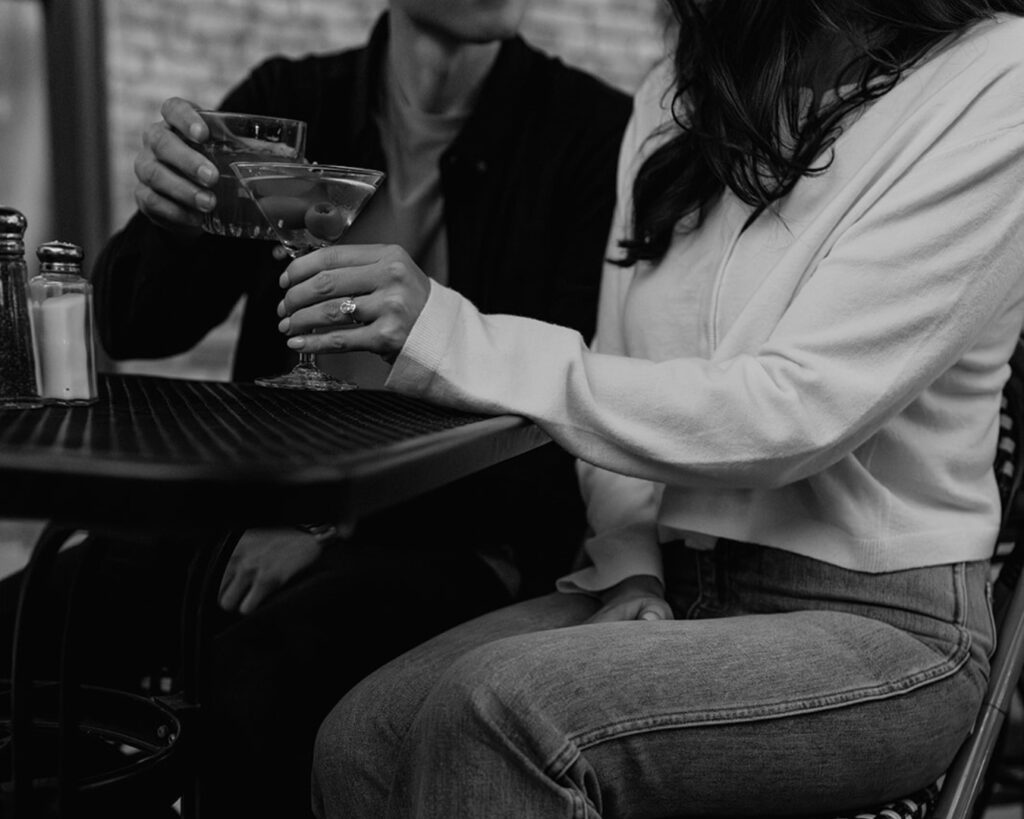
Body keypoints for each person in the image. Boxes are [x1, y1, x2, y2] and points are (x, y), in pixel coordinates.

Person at [273, 1, 1024, 816]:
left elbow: (794, 412)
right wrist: (629, 562)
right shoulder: (678, 93)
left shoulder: (994, 76)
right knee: (363, 737)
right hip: (673, 580)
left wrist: (455, 339)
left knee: (501, 710)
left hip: (880, 627)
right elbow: (622, 364)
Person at [0, 2, 630, 817]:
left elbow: (561, 418)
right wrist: (174, 221)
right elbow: (136, 325)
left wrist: (326, 523)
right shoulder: (296, 102)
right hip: (258, 515)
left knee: (254, 682)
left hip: (465, 538)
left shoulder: (588, 131)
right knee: (22, 628)